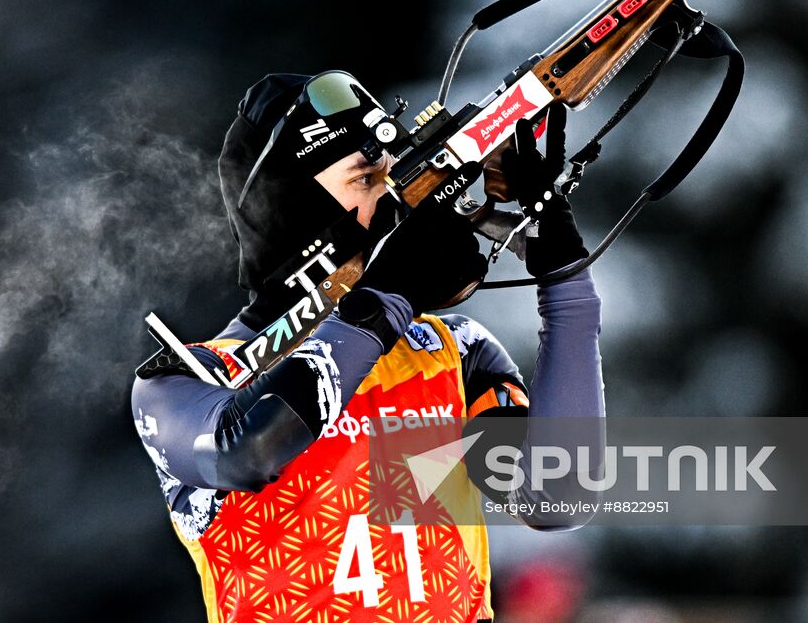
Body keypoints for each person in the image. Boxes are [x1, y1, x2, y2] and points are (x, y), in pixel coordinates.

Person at [131, 72, 605, 622]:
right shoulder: (188, 376)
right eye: (366, 178)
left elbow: (556, 498)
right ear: (292, 204)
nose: (394, 198)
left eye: (392, 174)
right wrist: (387, 293)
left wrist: (567, 286)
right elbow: (252, 450)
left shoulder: (454, 350)